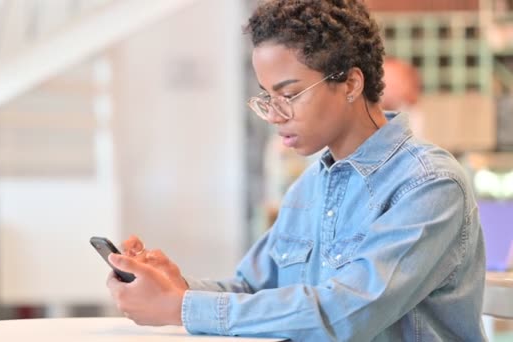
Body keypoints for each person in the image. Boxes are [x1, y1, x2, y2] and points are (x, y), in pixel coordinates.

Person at [106, 0, 487, 340]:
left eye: (289, 95)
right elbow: (252, 288)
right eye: (268, 97)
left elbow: (345, 315)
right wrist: (178, 287)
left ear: (351, 83)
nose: (275, 114)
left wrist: (180, 307)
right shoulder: (311, 186)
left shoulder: (429, 184)